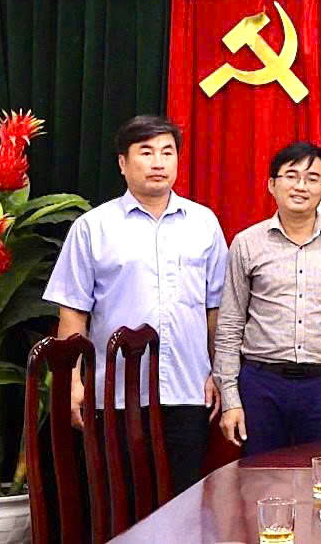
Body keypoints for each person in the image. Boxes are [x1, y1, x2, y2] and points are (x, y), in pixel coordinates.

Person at [44, 115, 227, 492]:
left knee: (183, 502)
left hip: (188, 390)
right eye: (146, 152)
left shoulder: (203, 223)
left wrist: (219, 373)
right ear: (123, 163)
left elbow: (215, 310)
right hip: (114, 394)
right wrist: (73, 382)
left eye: (167, 152)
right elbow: (73, 311)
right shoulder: (93, 227)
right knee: (120, 502)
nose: (158, 162)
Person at [213, 142, 321, 454]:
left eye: (312, 179)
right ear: (271, 184)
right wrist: (231, 398)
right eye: (291, 176)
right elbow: (230, 324)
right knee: (262, 477)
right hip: (262, 385)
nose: (301, 186)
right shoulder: (246, 243)